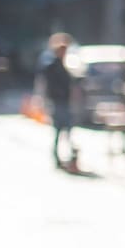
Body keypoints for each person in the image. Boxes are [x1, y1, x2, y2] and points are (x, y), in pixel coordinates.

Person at [40, 34, 79, 171]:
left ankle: (70, 158)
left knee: (68, 130)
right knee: (58, 131)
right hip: (57, 101)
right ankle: (57, 158)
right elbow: (46, 85)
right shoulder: (51, 66)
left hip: (65, 101)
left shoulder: (67, 65)